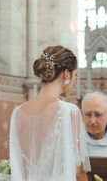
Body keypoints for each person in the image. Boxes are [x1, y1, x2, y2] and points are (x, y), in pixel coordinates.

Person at [9, 46, 91, 181]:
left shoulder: (17, 113)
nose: (74, 81)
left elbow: (18, 166)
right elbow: (78, 170)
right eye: (75, 75)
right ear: (66, 74)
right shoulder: (69, 111)